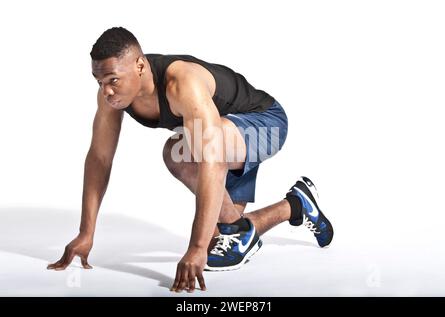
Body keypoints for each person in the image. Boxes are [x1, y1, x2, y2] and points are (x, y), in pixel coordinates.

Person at [47, 27, 334, 293]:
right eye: (99, 81)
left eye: (113, 80)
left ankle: (242, 229)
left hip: (265, 125)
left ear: (140, 66)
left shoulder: (182, 83)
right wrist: (86, 232)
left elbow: (211, 158)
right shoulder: (111, 97)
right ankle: (295, 205)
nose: (106, 90)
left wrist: (195, 247)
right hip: (220, 135)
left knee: (178, 152)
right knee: (227, 234)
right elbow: (99, 157)